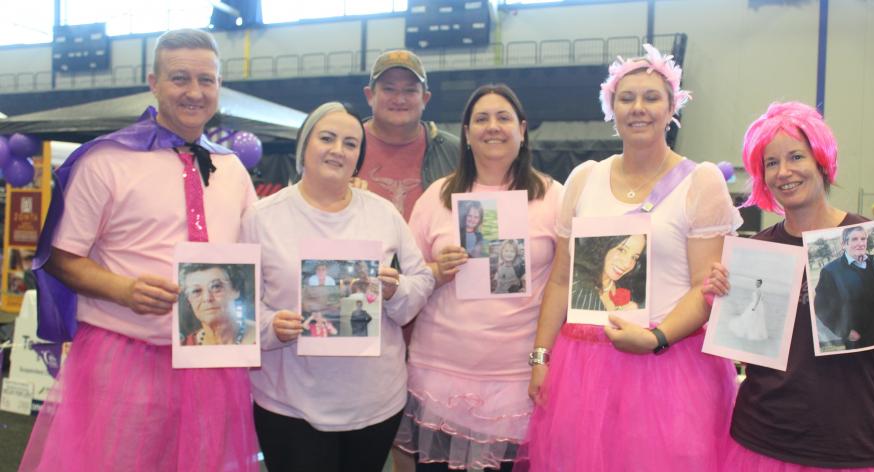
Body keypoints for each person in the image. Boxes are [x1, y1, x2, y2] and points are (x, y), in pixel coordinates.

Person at [22, 29, 259, 471]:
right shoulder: (106, 160)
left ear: (220, 86)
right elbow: (59, 256)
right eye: (180, 78)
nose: (194, 92)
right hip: (124, 356)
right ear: (153, 81)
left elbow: (258, 257)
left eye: (206, 80)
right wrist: (122, 288)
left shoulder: (233, 170)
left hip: (211, 363)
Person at [519, 44, 741, 472]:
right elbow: (562, 281)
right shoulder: (584, 178)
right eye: (627, 98)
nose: (639, 108)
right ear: (611, 107)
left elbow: (705, 286)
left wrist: (656, 339)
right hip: (583, 368)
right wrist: (541, 358)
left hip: (670, 365)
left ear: (672, 106)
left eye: (652, 97)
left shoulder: (701, 182)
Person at [704, 101, 874, 471]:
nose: (784, 172)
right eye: (771, 163)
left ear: (822, 160)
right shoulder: (756, 250)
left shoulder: (873, 241)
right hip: (762, 438)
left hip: (852, 440)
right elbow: (743, 349)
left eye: (796, 157)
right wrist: (720, 300)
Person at [240, 101, 434, 472]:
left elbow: (421, 281)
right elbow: (241, 304)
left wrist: (396, 291)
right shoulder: (262, 217)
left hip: (375, 402)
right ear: (304, 147)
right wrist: (271, 326)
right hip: (289, 403)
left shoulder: (381, 213)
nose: (337, 150)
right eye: (326, 138)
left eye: (350, 143)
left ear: (358, 157)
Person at [395, 84, 563, 471]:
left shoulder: (553, 196)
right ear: (467, 133)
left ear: (522, 130)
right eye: (481, 119)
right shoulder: (436, 198)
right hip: (439, 379)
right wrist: (437, 271)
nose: (493, 127)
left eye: (504, 118)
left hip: (517, 381)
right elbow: (407, 284)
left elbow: (566, 281)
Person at [357, 49, 459, 221]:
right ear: (369, 95)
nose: (399, 99)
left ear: (425, 99)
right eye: (389, 89)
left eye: (410, 91)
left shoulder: (454, 152)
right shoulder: (345, 148)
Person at [814, 225, 874, 349]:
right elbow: (820, 307)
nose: (860, 243)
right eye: (855, 239)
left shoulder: (871, 261)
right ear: (844, 244)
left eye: (863, 238)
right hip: (856, 340)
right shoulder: (830, 271)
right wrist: (845, 332)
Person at [179, 263, 257, 346]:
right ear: (189, 300)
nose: (207, 298)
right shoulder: (184, 344)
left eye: (216, 287)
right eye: (196, 291)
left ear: (236, 290)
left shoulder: (261, 337)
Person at [569, 234, 647, 311]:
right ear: (604, 245)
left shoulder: (628, 290)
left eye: (634, 257)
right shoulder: (574, 283)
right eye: (621, 250)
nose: (627, 264)